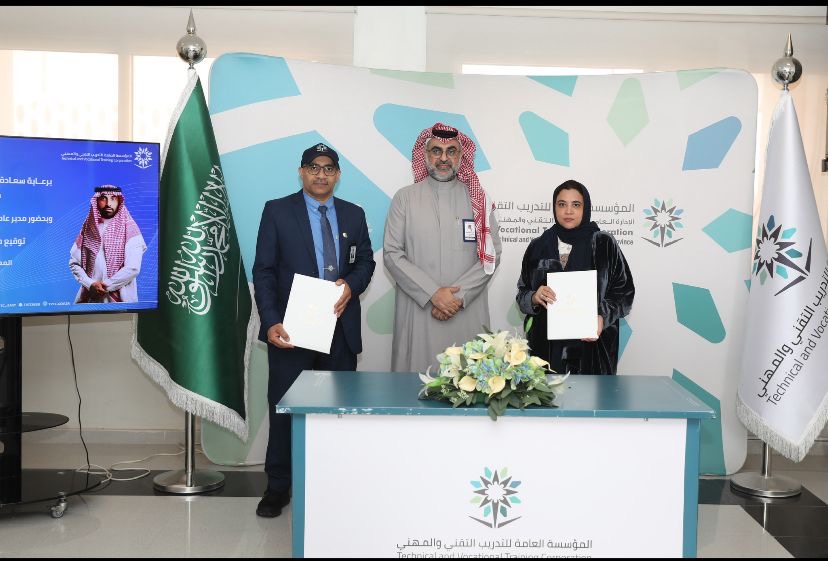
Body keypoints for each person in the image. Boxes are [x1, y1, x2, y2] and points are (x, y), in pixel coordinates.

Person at [252, 142, 375, 518]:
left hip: (340, 329)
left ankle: (334, 484)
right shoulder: (277, 211)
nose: (321, 174)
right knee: (285, 410)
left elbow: (366, 262)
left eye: (329, 168)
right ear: (302, 172)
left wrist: (351, 285)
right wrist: (271, 321)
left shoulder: (354, 214)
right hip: (293, 330)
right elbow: (264, 271)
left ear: (338, 175)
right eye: (314, 167)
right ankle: (278, 487)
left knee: (337, 413)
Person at [383, 122, 502, 373]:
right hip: (420, 310)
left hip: (466, 311)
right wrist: (433, 294)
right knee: (415, 386)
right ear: (425, 155)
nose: (444, 158)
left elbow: (493, 254)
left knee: (468, 384)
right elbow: (392, 254)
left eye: (451, 151)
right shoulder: (405, 198)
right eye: (436, 151)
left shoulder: (478, 199)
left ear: (461, 156)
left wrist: (456, 297)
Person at [516, 179, 635, 375]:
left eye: (576, 205)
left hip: (592, 350)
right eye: (562, 204)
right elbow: (522, 294)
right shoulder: (538, 246)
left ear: (585, 208)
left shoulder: (603, 243)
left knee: (591, 394)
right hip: (546, 351)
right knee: (548, 394)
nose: (568, 211)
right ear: (554, 207)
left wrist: (603, 316)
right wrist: (533, 297)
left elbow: (624, 294)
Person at [69, 184, 146, 303]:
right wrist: (90, 284)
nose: (108, 203)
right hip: (90, 298)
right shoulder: (88, 228)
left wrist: (105, 286)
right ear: (97, 200)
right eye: (103, 198)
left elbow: (133, 268)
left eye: (113, 198)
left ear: (119, 201)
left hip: (121, 301)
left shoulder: (130, 228)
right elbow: (74, 263)